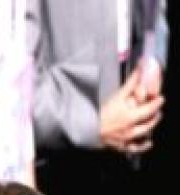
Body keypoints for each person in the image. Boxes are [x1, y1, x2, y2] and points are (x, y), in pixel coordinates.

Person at [29, 0, 169, 159]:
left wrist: (152, 56)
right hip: (56, 156)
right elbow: (12, 83)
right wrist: (91, 125)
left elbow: (154, 11)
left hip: (133, 118)